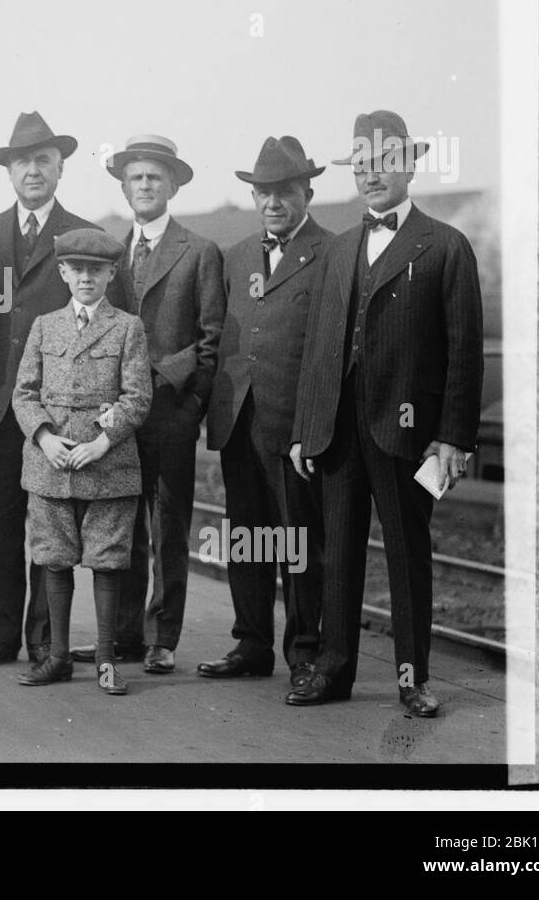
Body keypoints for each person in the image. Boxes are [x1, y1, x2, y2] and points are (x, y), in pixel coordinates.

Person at [287, 110, 483, 717]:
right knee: (339, 555)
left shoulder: (446, 246)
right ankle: (335, 671)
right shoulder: (339, 249)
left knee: (407, 556)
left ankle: (412, 679)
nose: (372, 176)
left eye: (383, 163)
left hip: (406, 434)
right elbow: (319, 349)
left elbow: (463, 351)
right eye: (363, 165)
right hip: (340, 432)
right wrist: (304, 432)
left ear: (409, 164)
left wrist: (451, 438)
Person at [72, 135, 225, 675]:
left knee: (167, 526)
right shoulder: (110, 253)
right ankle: (123, 636)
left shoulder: (199, 251)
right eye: (136, 177)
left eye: (155, 177)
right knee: (119, 523)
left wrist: (190, 406)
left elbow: (211, 339)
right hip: (116, 416)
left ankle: (163, 638)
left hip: (170, 411)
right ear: (123, 184)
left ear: (174, 185)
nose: (144, 185)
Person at [0, 111, 98, 668]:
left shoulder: (83, 237)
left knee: (50, 528)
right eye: (23, 161)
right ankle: (0, 636)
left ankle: (44, 638)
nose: (33, 170)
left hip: (55, 415)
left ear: (61, 167)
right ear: (9, 171)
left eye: (44, 159)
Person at [201, 136, 330, 693]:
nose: (272, 202)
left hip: (294, 429)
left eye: (283, 191)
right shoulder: (236, 257)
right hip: (239, 422)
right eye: (262, 193)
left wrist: (311, 428)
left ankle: (304, 654)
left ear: (307, 191)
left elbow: (330, 352)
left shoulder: (332, 253)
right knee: (247, 538)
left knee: (297, 542)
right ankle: (251, 644)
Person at [12, 229, 151, 695]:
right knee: (54, 559)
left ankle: (108, 661)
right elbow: (24, 392)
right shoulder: (44, 326)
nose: (87, 277)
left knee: (108, 562)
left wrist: (103, 441)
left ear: (113, 273)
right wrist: (45, 437)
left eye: (97, 269)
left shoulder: (128, 326)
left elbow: (138, 397)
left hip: (107, 465)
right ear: (63, 272)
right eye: (77, 268)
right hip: (50, 463)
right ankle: (57, 657)